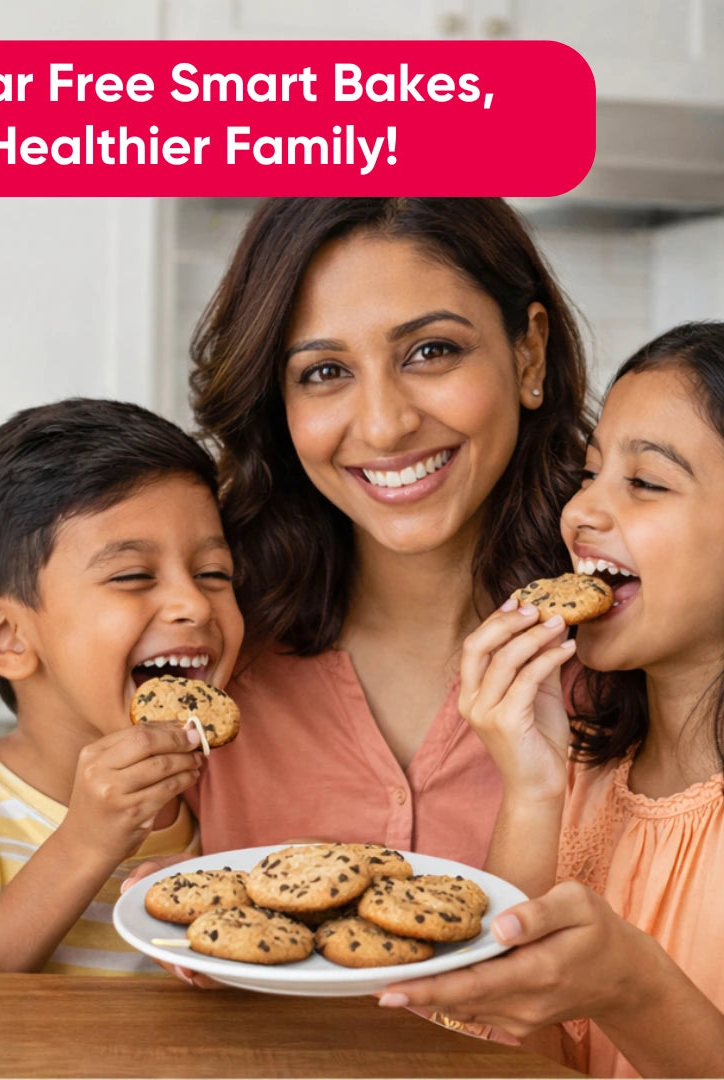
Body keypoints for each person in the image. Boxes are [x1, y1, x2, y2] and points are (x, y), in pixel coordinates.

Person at [185, 198, 593, 866]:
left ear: (529, 354)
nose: (383, 425)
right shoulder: (209, 649)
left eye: (431, 352)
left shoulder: (637, 653)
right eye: (324, 372)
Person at [382, 323, 724, 1078]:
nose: (581, 514)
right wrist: (533, 793)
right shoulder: (584, 779)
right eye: (592, 472)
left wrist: (635, 993)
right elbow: (501, 1062)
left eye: (647, 482)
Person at [0, 398, 244, 973]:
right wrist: (84, 844)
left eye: (214, 573)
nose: (194, 603)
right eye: (132, 576)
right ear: (8, 635)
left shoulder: (233, 801)